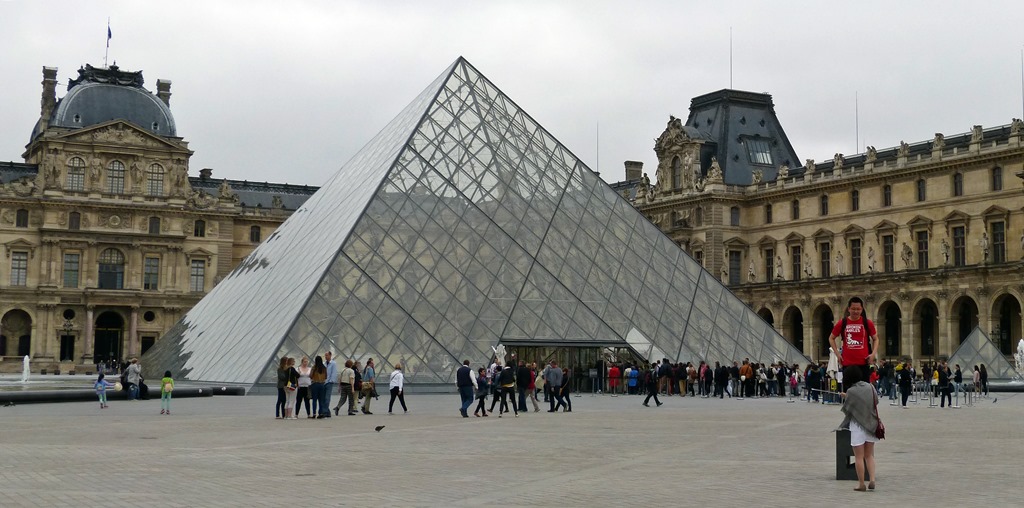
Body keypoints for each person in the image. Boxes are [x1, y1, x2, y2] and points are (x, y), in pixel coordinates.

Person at [839, 365, 879, 491]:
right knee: (869, 455)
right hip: (871, 424)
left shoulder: (851, 391)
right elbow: (875, 401)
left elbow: (847, 408)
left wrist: (846, 397)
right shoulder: (870, 387)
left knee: (858, 456)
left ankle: (861, 484)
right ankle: (872, 479)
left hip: (857, 426)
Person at [828, 297, 879, 382]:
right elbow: (831, 338)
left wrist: (873, 354)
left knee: (863, 390)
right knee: (848, 391)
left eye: (858, 309)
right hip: (847, 363)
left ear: (862, 309)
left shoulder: (867, 323)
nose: (856, 311)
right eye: (853, 309)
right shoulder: (842, 323)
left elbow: (876, 339)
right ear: (849, 309)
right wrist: (837, 354)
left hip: (863, 362)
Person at [321, 351, 337, 418]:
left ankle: (324, 412)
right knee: (324, 398)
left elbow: (334, 373)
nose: (326, 357)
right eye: (325, 355)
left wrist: (331, 381)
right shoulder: (324, 363)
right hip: (323, 382)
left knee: (327, 398)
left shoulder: (333, 363)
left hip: (329, 382)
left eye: (327, 355)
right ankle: (328, 412)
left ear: (330, 355)